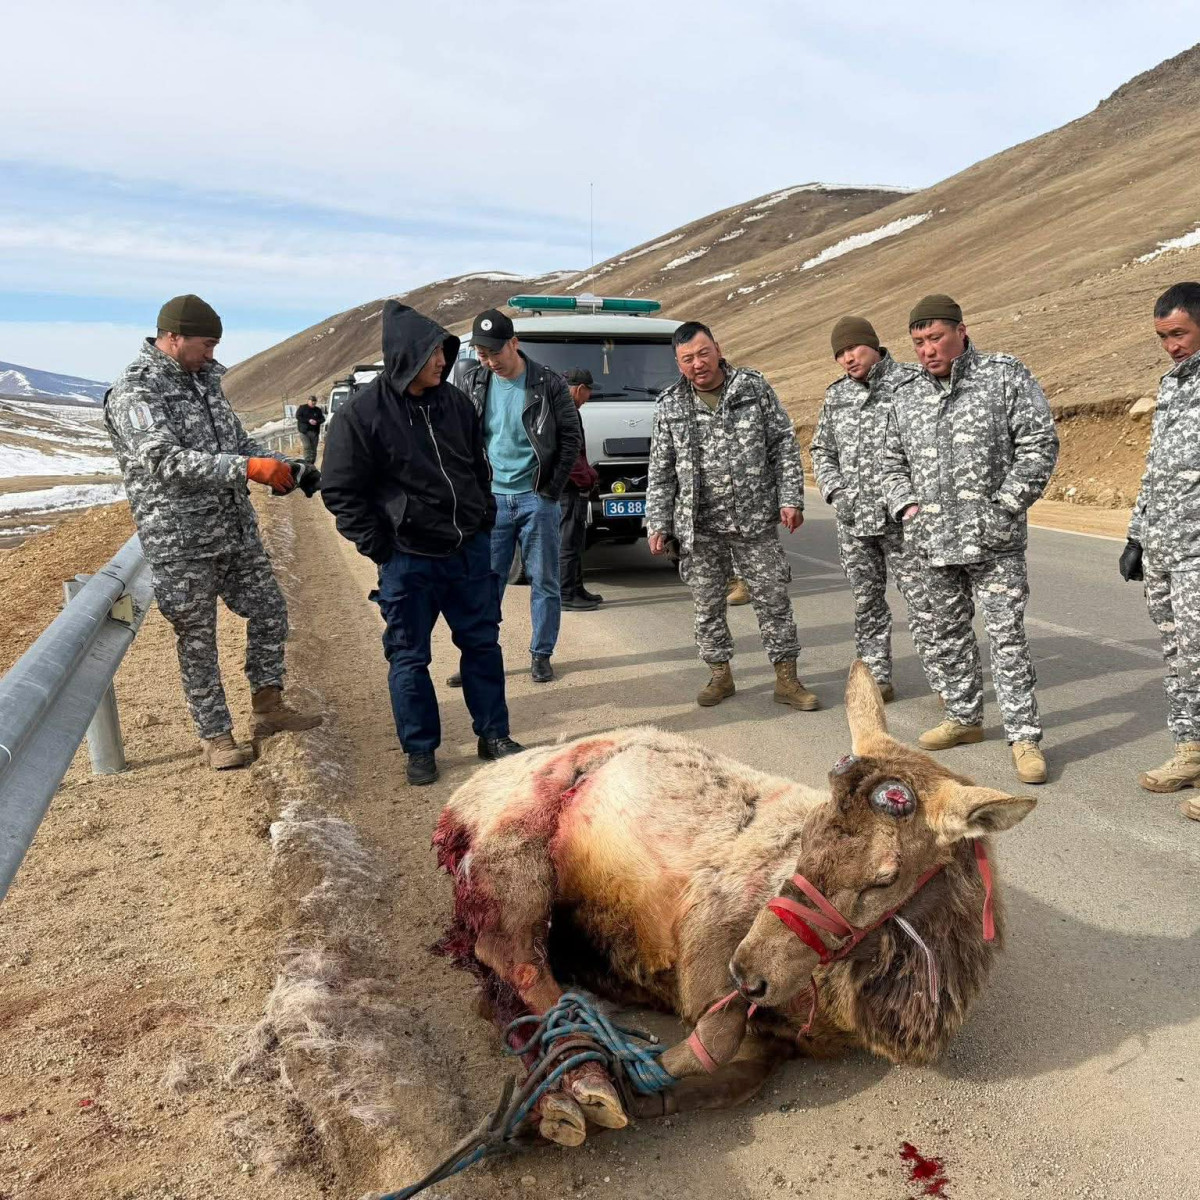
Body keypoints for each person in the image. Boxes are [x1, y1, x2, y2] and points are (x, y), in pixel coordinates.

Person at [105, 294, 322, 770]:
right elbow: (163, 459)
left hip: (234, 529)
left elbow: (237, 442)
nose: (212, 354)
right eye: (206, 344)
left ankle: (268, 706)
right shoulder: (136, 390)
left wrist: (287, 466)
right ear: (173, 337)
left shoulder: (206, 382)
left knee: (270, 611)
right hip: (181, 540)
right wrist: (248, 468)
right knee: (198, 638)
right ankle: (216, 736)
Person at [320, 302, 523, 786]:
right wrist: (380, 546)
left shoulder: (455, 404)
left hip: (467, 552)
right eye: (433, 353)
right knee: (409, 657)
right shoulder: (361, 415)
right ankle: (421, 748)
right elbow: (340, 491)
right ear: (406, 355)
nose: (442, 360)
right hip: (407, 559)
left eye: (443, 351)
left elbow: (477, 467)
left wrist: (483, 519)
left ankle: (493, 734)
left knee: (482, 645)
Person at [882, 294, 1058, 785]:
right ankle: (963, 718)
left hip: (994, 542)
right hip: (932, 541)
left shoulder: (1003, 375)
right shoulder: (905, 393)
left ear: (961, 331)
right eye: (918, 342)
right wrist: (907, 507)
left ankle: (1024, 737)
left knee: (1007, 639)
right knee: (948, 633)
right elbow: (891, 461)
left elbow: (1039, 444)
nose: (927, 350)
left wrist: (1005, 506)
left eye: (935, 338)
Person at [646, 321, 818, 710]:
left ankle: (787, 681)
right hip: (699, 528)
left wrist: (791, 498)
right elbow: (661, 471)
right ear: (678, 363)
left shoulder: (753, 389)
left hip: (754, 521)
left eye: (703, 354)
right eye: (687, 359)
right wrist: (658, 522)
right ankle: (720, 676)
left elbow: (783, 446)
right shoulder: (670, 404)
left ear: (718, 350)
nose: (697, 364)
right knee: (707, 605)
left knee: (773, 601)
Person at [811, 315, 942, 703]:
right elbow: (822, 451)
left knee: (924, 602)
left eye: (853, 348)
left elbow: (933, 444)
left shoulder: (913, 383)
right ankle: (877, 679)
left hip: (904, 522)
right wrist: (837, 494)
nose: (848, 358)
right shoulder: (837, 396)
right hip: (854, 523)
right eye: (840, 353)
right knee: (867, 604)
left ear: (873, 344)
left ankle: (946, 683)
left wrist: (918, 501)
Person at [454, 308, 583, 683]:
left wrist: (550, 491)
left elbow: (570, 438)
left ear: (514, 343)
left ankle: (541, 655)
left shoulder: (548, 383)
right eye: (482, 354)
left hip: (535, 498)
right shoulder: (475, 382)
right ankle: (478, 657)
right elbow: (463, 439)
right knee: (485, 583)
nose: (490, 361)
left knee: (545, 581)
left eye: (495, 352)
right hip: (491, 501)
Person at [1121, 281, 1200, 815]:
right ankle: (1191, 751)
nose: (1171, 346)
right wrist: (1136, 534)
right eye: (1163, 338)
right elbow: (1157, 469)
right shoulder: (1173, 385)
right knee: (1178, 656)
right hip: (1165, 547)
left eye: (1179, 334)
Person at [559, 368, 603, 611]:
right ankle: (565, 594)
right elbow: (570, 456)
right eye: (589, 391)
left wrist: (590, 474)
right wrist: (587, 478)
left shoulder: (568, 409)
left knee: (576, 540)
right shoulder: (564, 411)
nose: (589, 397)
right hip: (568, 488)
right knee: (567, 542)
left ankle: (576, 589)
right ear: (580, 389)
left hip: (572, 486)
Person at [295, 395, 325, 463]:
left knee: (313, 449)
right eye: (312, 401)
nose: (313, 402)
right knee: (307, 447)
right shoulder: (302, 408)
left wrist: (316, 421)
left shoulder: (318, 410)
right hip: (304, 432)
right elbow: (298, 416)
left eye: (315, 401)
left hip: (314, 432)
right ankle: (307, 462)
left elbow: (323, 419)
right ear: (308, 401)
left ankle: (312, 463)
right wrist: (308, 420)